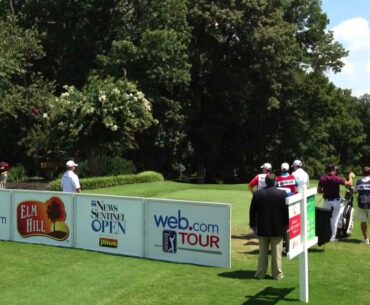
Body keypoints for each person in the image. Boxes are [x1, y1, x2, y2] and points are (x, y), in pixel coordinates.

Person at [249, 173, 288, 280]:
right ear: (275, 181)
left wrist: (252, 224)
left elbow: (252, 211)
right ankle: (277, 274)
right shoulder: (282, 194)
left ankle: (260, 274)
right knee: (277, 254)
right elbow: (286, 212)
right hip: (278, 227)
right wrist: (286, 225)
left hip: (262, 227)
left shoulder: (258, 194)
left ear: (265, 182)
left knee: (262, 252)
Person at [317, 164, 355, 242]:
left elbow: (319, 190)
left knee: (327, 219)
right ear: (334, 170)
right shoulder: (337, 178)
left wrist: (326, 190)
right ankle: (332, 238)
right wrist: (350, 176)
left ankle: (326, 235)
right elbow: (349, 184)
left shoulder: (322, 178)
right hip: (335, 201)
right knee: (334, 219)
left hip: (326, 201)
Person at [355, 166, 370, 244]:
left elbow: (354, 191)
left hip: (361, 204)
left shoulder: (358, 182)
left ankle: (366, 239)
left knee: (363, 222)